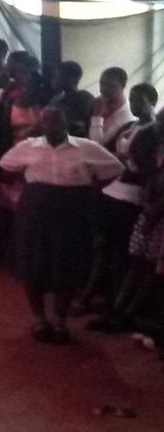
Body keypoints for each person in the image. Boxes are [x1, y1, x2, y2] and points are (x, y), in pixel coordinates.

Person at [0, 104, 123, 344]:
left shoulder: (86, 147)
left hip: (72, 213)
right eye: (46, 120)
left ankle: (59, 320)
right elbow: (5, 165)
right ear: (41, 124)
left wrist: (93, 189)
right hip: (36, 211)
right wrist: (30, 185)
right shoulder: (29, 146)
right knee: (34, 265)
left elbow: (116, 168)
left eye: (56, 120)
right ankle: (39, 319)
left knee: (66, 267)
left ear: (66, 121)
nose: (51, 125)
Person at [78, 83, 158, 314]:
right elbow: (102, 149)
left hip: (131, 194)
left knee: (117, 251)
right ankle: (95, 295)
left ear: (152, 101)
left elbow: (144, 166)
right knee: (102, 247)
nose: (133, 104)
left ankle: (107, 300)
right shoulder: (131, 126)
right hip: (113, 188)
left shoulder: (153, 131)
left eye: (139, 100)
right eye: (131, 99)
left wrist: (122, 159)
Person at [89, 67, 136, 153]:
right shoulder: (99, 104)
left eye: (110, 86)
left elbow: (96, 146)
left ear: (123, 86)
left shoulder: (126, 116)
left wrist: (97, 116)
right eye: (102, 84)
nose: (102, 90)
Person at [49, 61, 94, 138]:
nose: (54, 80)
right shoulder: (56, 99)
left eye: (59, 76)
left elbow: (84, 126)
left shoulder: (85, 98)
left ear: (74, 79)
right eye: (55, 77)